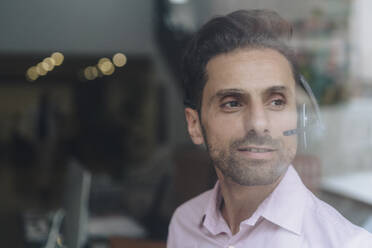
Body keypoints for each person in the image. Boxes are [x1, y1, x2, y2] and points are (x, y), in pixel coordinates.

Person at [167, 9, 372, 247]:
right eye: (232, 103)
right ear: (194, 125)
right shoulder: (185, 225)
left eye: (276, 102)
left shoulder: (346, 243)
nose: (258, 124)